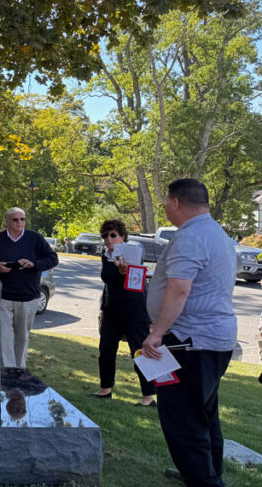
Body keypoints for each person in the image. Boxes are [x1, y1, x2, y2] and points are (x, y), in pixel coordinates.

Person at [141, 179, 237, 487]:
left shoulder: (191, 236)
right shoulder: (215, 232)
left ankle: (204, 480)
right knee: (205, 414)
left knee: (183, 420)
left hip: (190, 343)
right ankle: (208, 473)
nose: (166, 207)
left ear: (175, 203)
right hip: (211, 341)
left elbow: (179, 289)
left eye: (167, 202)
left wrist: (157, 333)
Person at [92, 219, 156, 406]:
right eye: (105, 236)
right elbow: (108, 280)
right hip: (113, 308)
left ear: (122, 236)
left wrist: (126, 270)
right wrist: (103, 308)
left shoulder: (133, 253)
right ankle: (105, 389)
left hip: (135, 309)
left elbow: (138, 282)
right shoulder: (106, 256)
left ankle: (148, 396)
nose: (109, 239)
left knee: (139, 351)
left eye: (113, 235)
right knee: (106, 349)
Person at [0, 206, 58, 370]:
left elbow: (53, 259)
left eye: (22, 219)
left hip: (28, 297)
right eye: (15, 219)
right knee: (4, 337)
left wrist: (34, 264)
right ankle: (8, 372)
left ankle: (19, 370)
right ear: (7, 221)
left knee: (22, 337)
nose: (19, 223)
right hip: (3, 297)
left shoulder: (35, 238)